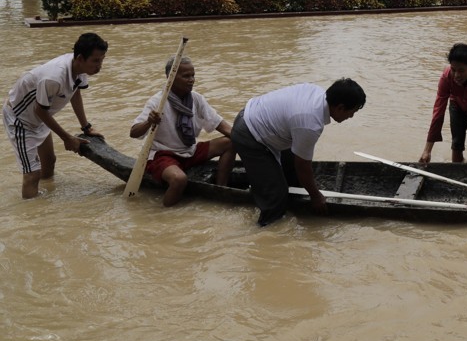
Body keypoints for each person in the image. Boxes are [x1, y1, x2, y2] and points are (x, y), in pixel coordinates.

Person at [231, 79, 366, 226]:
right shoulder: (310, 124)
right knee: (276, 195)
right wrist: (315, 196)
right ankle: (266, 228)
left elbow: (300, 160)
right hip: (250, 135)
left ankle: (289, 196)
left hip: (259, 122)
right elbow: (302, 165)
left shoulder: (317, 93)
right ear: (340, 107)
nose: (351, 117)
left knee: (292, 172)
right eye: (352, 112)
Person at [4, 33, 107, 198]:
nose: (99, 66)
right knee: (32, 175)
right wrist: (67, 137)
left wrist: (86, 127)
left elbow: (75, 93)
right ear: (80, 58)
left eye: (102, 60)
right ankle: (32, 217)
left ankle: (47, 202)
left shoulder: (79, 69)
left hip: (39, 117)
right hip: (20, 119)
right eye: (95, 61)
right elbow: (40, 110)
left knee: (49, 161)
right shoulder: (54, 78)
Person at [129, 56, 235, 207]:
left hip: (189, 151)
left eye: (193, 75)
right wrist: (149, 122)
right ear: (170, 78)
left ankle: (220, 190)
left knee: (231, 142)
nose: (191, 80)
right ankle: (165, 217)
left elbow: (221, 125)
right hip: (162, 155)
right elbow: (134, 133)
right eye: (186, 76)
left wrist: (248, 139)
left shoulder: (196, 99)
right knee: (179, 180)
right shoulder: (157, 102)